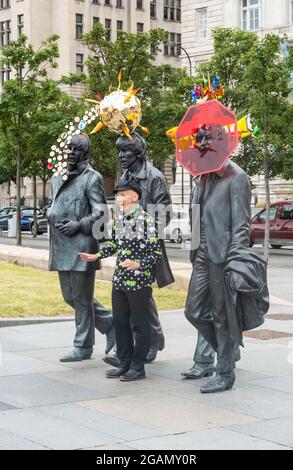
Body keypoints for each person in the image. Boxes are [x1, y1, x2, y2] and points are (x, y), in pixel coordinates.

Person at [80, 180, 163, 381]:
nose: (120, 199)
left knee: (140, 325)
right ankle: (124, 363)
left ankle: (138, 366)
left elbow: (157, 253)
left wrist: (139, 264)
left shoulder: (147, 220)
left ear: (135, 197)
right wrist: (96, 256)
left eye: (124, 195)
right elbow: (114, 245)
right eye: (118, 195)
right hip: (119, 281)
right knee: (120, 322)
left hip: (139, 282)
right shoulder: (120, 220)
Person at [105, 132, 174, 367]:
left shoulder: (154, 177)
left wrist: (145, 234)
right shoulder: (125, 176)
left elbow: (165, 212)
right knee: (135, 298)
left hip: (145, 246)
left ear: (139, 153)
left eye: (126, 151)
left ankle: (152, 340)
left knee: (143, 296)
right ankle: (144, 342)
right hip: (128, 246)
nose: (122, 156)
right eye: (120, 151)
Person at [46, 133, 115, 362]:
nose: (71, 154)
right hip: (61, 244)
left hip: (82, 245)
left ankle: (82, 346)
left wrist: (79, 225)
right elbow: (52, 203)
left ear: (84, 153)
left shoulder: (91, 178)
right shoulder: (57, 177)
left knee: (82, 298)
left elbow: (101, 212)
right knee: (70, 296)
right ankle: (111, 324)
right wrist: (49, 213)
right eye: (69, 149)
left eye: (76, 150)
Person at [185, 159, 251, 393]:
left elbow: (242, 225)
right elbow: (196, 216)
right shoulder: (202, 177)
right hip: (201, 252)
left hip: (222, 255)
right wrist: (193, 249)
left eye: (205, 140)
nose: (200, 146)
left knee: (222, 315)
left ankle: (225, 372)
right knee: (193, 311)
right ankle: (229, 350)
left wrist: (236, 260)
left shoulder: (236, 176)